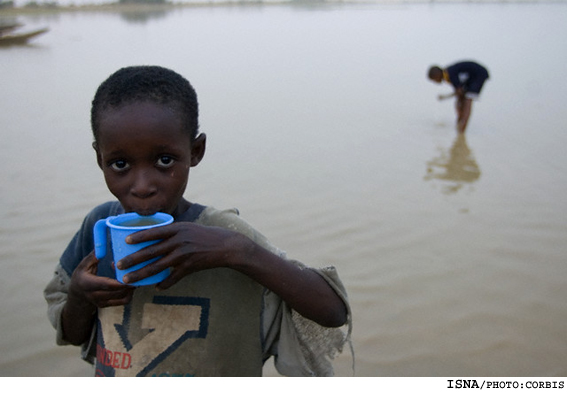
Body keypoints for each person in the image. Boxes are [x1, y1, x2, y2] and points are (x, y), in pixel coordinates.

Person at [44, 66, 351, 377]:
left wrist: (236, 252)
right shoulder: (99, 229)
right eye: (120, 164)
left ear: (195, 151)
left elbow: (332, 311)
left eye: (164, 160)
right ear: (100, 160)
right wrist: (80, 298)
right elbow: (71, 334)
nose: (142, 186)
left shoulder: (225, 235)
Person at [428, 61, 490, 133]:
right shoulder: (447, 74)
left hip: (478, 75)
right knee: (461, 100)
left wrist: (445, 97)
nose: (435, 82)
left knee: (467, 100)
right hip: (470, 78)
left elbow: (459, 92)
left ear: (437, 75)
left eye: (434, 80)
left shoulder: (449, 74)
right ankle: (459, 124)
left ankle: (461, 131)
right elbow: (459, 92)